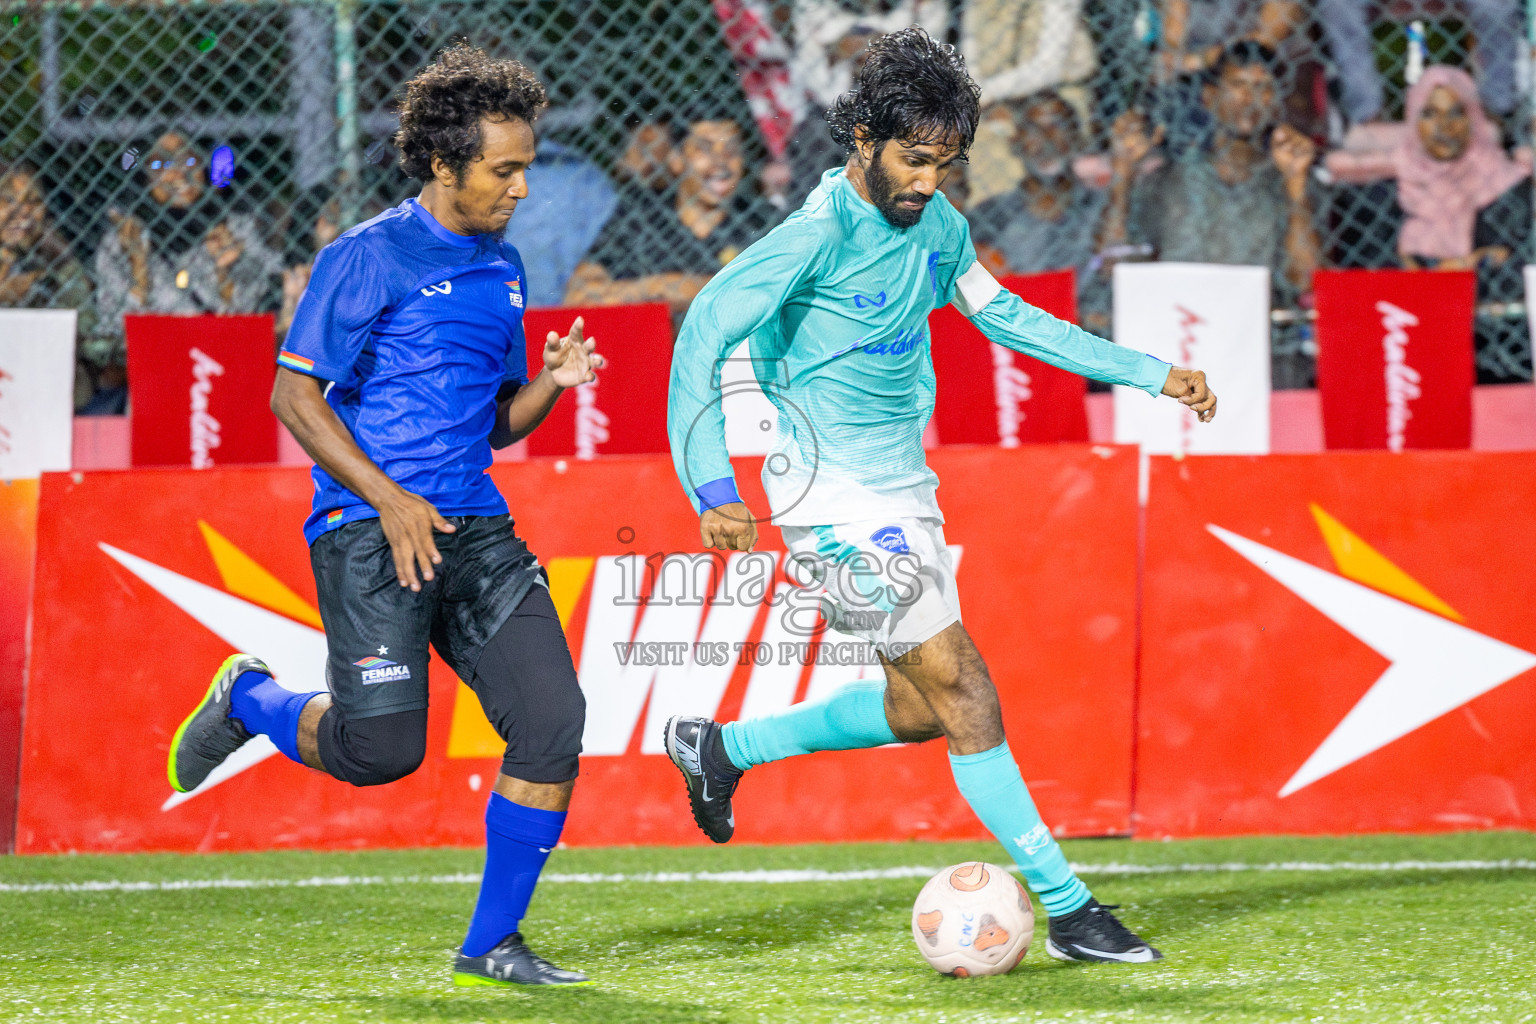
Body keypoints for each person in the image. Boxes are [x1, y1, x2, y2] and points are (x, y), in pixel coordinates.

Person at [663, 27, 1215, 965]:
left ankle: (720, 750)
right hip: (827, 504)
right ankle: (1071, 910)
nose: (928, 182)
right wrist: (712, 483)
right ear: (863, 140)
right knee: (966, 690)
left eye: (945, 164)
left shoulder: (940, 227)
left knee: (920, 708)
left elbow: (1010, 318)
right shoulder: (813, 236)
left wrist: (1149, 372)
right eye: (913, 161)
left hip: (903, 495)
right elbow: (703, 335)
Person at [165, 44, 603, 988]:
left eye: (527, 167)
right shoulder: (366, 256)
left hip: (474, 530)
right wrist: (390, 498)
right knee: (380, 754)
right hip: (370, 531)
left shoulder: (505, 267)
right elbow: (293, 397)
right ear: (444, 163)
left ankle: (492, 944)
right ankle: (250, 698)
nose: (523, 189)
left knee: (552, 721)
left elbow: (495, 423)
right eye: (505, 169)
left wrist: (553, 386)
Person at [1097, 43, 1320, 299]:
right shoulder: (1171, 179)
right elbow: (1110, 264)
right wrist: (1122, 174)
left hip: (1255, 315)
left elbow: (1307, 281)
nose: (1250, 99)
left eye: (1263, 87)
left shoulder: (1287, 179)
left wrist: (1295, 183)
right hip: (1179, 312)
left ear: (1277, 102)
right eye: (1238, 85)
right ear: (1210, 97)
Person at [565, 114, 772, 318]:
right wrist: (662, 286)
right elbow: (578, 297)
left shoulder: (763, 222)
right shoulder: (641, 216)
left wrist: (664, 292)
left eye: (731, 150)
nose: (721, 161)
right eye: (705, 148)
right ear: (676, 161)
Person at [967, 91, 1108, 324]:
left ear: (1078, 140)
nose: (1046, 138)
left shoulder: (1101, 207)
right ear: (1015, 143)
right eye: (1033, 129)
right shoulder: (987, 217)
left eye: (1058, 126)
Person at [0, 161, 98, 409]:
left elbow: (92, 341)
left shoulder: (58, 260)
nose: (24, 212)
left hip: (48, 393)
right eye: (8, 200)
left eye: (33, 201)